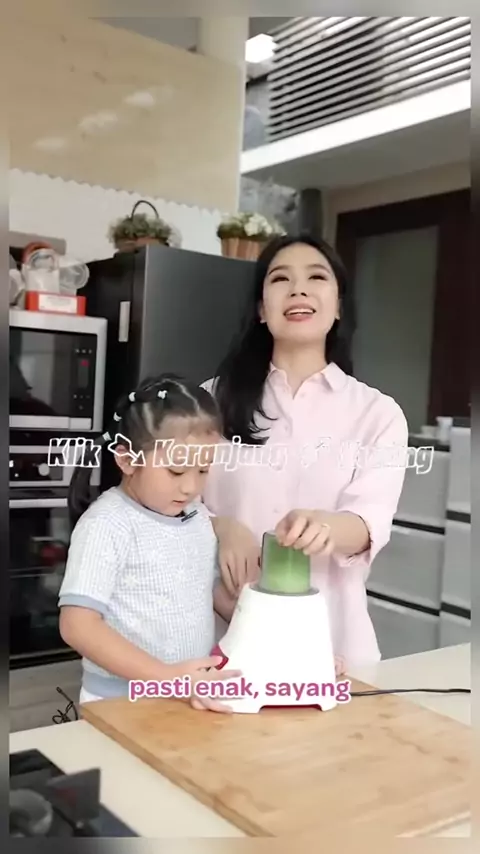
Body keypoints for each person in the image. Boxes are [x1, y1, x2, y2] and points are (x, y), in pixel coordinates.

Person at [203, 234, 409, 668]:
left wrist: (326, 526)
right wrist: (220, 526)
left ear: (338, 307)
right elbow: (165, 505)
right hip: (221, 642)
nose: (298, 289)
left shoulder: (378, 413)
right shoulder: (209, 402)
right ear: (261, 309)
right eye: (280, 279)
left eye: (316, 277)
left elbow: (369, 523)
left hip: (331, 647)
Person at [58, 374, 240, 712]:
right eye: (176, 471)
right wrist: (166, 678)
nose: (190, 487)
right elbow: (77, 626)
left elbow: (214, 593)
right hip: (119, 703)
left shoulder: (196, 515)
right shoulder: (106, 525)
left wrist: (294, 650)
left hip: (190, 694)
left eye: (202, 471)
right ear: (127, 460)